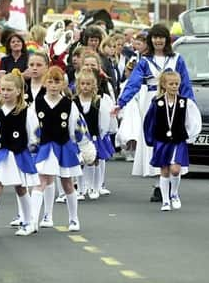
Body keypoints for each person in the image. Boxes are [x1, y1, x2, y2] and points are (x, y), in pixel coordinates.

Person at [115, 24, 195, 201]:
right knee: (158, 142)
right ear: (150, 40)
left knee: (173, 140)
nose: (158, 40)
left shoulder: (177, 59)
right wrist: (121, 102)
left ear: (167, 39)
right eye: (155, 37)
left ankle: (169, 188)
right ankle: (160, 184)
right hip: (153, 101)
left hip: (174, 103)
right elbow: (134, 83)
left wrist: (191, 106)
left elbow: (186, 84)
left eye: (161, 37)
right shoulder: (144, 61)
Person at [29, 66, 90, 232]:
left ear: (63, 84)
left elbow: (76, 128)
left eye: (57, 82)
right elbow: (32, 127)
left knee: (67, 184)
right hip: (45, 147)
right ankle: (36, 219)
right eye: (50, 81)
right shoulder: (38, 103)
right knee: (41, 181)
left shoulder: (69, 105)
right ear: (44, 83)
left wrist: (83, 148)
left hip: (64, 146)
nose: (54, 85)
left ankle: (74, 218)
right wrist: (32, 145)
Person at [0, 71, 38, 238]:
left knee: (21, 188)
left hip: (19, 154)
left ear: (18, 91)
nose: (5, 93)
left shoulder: (26, 111)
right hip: (1, 154)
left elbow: (33, 134)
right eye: (3, 89)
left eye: (9, 89)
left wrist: (32, 149)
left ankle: (29, 222)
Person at [143, 71, 201, 211]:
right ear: (164, 85)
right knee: (164, 169)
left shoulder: (184, 102)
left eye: (177, 84)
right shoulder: (157, 102)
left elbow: (193, 120)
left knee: (175, 169)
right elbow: (149, 121)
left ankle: (174, 193)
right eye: (171, 84)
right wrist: (150, 139)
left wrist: (190, 135)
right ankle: (165, 200)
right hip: (162, 140)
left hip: (178, 139)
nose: (174, 86)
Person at [74, 68, 115, 200]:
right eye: (82, 84)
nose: (85, 87)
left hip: (94, 135)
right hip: (80, 137)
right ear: (78, 85)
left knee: (93, 161)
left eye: (88, 84)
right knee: (80, 162)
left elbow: (103, 119)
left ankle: (93, 187)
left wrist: (102, 133)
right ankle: (81, 189)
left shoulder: (98, 101)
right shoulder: (74, 101)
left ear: (94, 85)